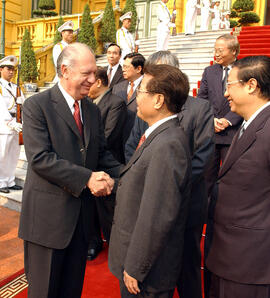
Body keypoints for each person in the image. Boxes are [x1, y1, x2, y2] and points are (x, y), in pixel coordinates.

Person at [18, 43, 120, 298]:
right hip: (47, 222)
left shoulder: (92, 110)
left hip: (81, 221)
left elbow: (102, 154)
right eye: (86, 73)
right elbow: (40, 158)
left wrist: (129, 175)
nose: (93, 79)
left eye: (94, 73)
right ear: (65, 70)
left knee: (71, 290)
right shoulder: (37, 106)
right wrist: (87, 179)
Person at [125, 50, 215, 298]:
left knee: (187, 269)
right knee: (151, 268)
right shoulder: (145, 109)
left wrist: (170, 185)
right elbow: (133, 146)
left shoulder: (200, 108)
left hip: (186, 205)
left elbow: (203, 155)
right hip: (148, 202)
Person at [109, 63, 192, 298]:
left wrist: (136, 266)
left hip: (147, 272)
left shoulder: (168, 144)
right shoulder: (158, 135)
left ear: (158, 100)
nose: (135, 96)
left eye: (141, 90)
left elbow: (157, 213)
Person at [206, 55, 270, 298]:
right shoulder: (248, 124)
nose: (225, 94)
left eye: (230, 85)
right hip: (229, 257)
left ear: (251, 85)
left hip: (253, 264)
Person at [197, 33, 243, 298]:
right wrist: (212, 120)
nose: (216, 53)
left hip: (233, 131)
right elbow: (202, 97)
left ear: (233, 51)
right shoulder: (209, 70)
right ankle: (206, 214)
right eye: (215, 49)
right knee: (207, 175)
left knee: (230, 178)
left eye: (220, 49)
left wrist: (228, 120)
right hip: (211, 131)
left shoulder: (242, 69)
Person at [87, 67, 127, 256]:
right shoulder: (86, 103)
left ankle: (115, 246)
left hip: (107, 163)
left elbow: (109, 135)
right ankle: (93, 242)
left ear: (99, 82)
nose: (86, 85)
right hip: (88, 166)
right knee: (90, 210)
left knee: (107, 211)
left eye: (90, 80)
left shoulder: (116, 102)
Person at [0, 55, 24, 193]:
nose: (11, 72)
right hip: (4, 126)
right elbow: (1, 108)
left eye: (13, 69)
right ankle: (1, 182)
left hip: (17, 124)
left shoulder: (16, 87)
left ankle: (10, 180)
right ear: (1, 69)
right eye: (8, 69)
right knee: (2, 155)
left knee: (13, 155)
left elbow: (23, 105)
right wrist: (10, 123)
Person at [112, 52, 145, 150]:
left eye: (126, 67)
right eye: (123, 66)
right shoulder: (117, 88)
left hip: (138, 140)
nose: (123, 70)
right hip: (118, 142)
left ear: (139, 69)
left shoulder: (148, 87)